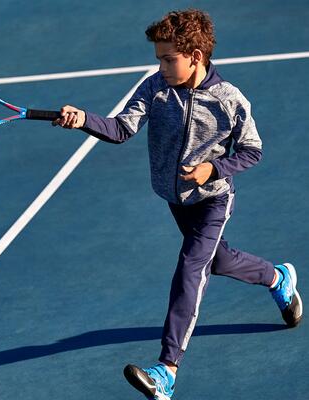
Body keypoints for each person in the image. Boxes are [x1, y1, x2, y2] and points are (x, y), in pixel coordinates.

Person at [53, 9, 303, 400]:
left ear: (196, 57)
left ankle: (166, 370)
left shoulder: (229, 99)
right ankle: (277, 278)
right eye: (159, 59)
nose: (162, 66)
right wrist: (84, 118)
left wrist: (213, 169)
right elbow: (121, 129)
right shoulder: (154, 88)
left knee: (190, 269)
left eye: (169, 59)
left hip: (212, 202)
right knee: (216, 261)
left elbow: (252, 150)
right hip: (175, 200)